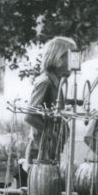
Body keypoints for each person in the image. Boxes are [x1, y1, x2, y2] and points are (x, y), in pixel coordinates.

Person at [24, 36, 77, 165]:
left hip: (50, 148)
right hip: (41, 149)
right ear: (58, 59)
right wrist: (51, 134)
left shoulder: (57, 83)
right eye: (70, 57)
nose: (74, 61)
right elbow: (30, 116)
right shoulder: (46, 82)